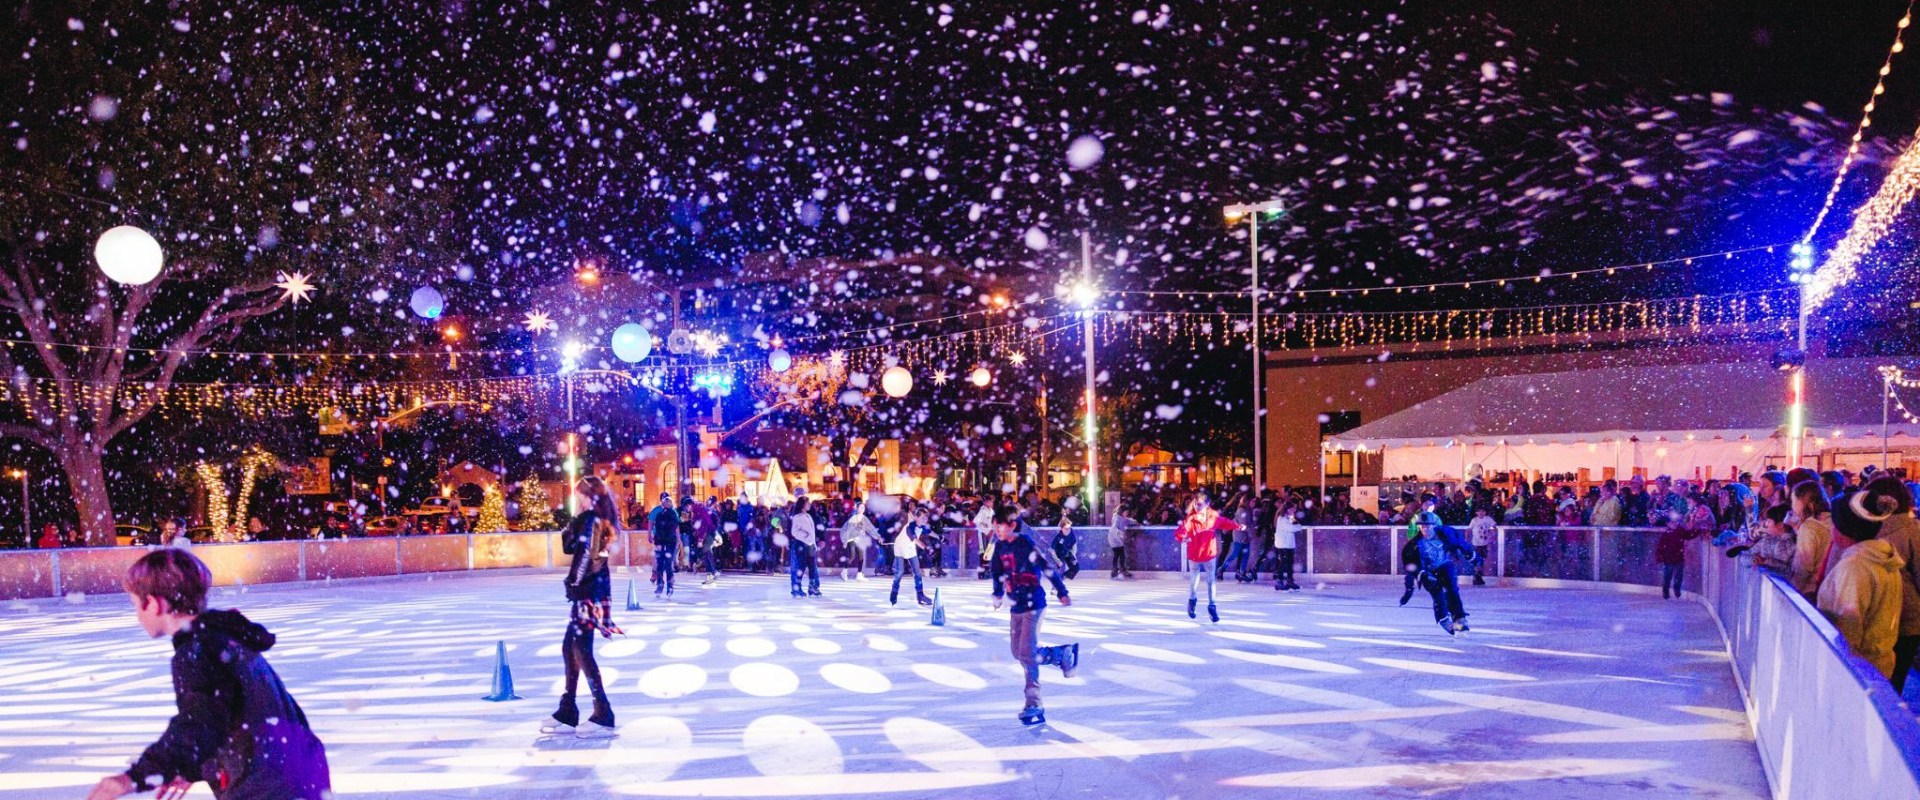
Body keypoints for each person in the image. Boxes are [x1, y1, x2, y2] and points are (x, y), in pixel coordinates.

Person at [90, 548, 329, 800]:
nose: (137, 616)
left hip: (268, 786)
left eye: (136, 605)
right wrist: (193, 768)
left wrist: (133, 778)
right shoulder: (224, 639)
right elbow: (229, 716)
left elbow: (199, 724)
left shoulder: (198, 650)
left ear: (155, 603)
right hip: (295, 773)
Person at [544, 476, 622, 738]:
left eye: (579, 495)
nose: (576, 499)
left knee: (581, 650)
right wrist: (574, 519)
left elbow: (588, 556)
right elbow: (568, 547)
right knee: (571, 647)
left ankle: (603, 712)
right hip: (589, 590)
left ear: (588, 496)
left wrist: (574, 584)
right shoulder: (588, 519)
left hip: (588, 591)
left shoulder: (594, 521)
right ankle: (568, 709)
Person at [989, 506, 1078, 726]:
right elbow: (997, 572)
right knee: (1017, 652)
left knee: (1027, 654)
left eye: (999, 526)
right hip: (1016, 607)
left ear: (1011, 525)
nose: (996, 530)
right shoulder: (1000, 547)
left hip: (1035, 605)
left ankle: (1034, 703)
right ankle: (1061, 655)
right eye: (994, 527)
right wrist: (998, 593)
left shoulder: (1025, 544)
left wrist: (1062, 591)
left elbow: (1046, 567)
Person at [1820, 487, 1906, 681]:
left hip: (1856, 672)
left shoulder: (1855, 567)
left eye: (1834, 524)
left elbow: (1848, 630)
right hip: (1879, 664)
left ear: (1846, 529)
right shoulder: (1883, 559)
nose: (1831, 530)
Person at [1864, 475, 1920, 691]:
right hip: (1908, 617)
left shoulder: (1870, 529)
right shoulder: (1912, 530)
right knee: (1895, 680)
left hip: (1878, 613)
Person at [1410, 511, 1477, 635]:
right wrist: (1421, 574)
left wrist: (1471, 554)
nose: (1425, 529)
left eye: (1428, 526)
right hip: (1428, 571)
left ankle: (1459, 618)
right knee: (1438, 594)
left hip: (1444, 565)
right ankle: (1443, 619)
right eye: (1423, 526)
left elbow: (1460, 542)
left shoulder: (1446, 534)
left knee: (1452, 589)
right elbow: (1410, 563)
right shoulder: (1415, 543)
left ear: (1433, 525)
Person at [1175, 493, 1238, 623]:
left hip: (1209, 554)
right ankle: (1192, 601)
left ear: (1207, 504)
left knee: (1211, 581)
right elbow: (1180, 531)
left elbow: (1225, 523)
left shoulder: (1213, 517)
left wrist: (1237, 526)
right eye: (1196, 504)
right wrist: (1183, 537)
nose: (1197, 507)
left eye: (1200, 504)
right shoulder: (1191, 519)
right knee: (1194, 580)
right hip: (1194, 555)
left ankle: (1212, 606)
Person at [1787, 482, 1836, 600]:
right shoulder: (1833, 520)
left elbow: (1804, 565)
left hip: (1810, 590)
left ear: (1805, 502)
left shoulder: (1809, 527)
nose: (1792, 506)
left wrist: (1793, 590)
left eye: (1794, 501)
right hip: (1830, 587)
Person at [891, 507, 934, 607]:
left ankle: (920, 595)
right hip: (900, 547)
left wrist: (941, 538)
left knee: (917, 572)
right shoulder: (910, 526)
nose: (925, 520)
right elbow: (915, 539)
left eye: (926, 518)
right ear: (916, 517)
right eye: (923, 518)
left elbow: (930, 532)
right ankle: (894, 593)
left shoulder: (922, 526)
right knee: (900, 572)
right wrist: (926, 548)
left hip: (910, 548)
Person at [648, 493, 680, 598]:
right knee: (663, 564)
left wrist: (675, 540)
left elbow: (674, 529)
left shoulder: (671, 514)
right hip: (665, 542)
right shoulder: (661, 514)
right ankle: (663, 585)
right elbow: (658, 528)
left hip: (667, 542)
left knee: (664, 564)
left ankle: (665, 585)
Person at [789, 497, 821, 598]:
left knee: (812, 567)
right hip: (802, 544)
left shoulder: (808, 516)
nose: (809, 504)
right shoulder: (797, 517)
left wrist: (813, 544)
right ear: (803, 504)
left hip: (810, 545)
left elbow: (812, 532)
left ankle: (812, 587)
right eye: (808, 503)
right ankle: (796, 588)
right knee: (801, 567)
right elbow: (794, 532)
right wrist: (805, 535)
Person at [841, 504, 877, 581]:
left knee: (861, 556)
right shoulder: (854, 518)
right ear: (857, 509)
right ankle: (844, 571)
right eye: (860, 507)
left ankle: (859, 574)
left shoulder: (865, 519)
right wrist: (845, 541)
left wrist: (878, 536)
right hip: (851, 539)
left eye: (863, 507)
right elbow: (849, 530)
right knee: (852, 556)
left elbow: (871, 528)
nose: (862, 509)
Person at [1273, 504, 1302, 592]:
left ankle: (1289, 581)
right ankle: (1279, 580)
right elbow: (1292, 528)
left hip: (1288, 544)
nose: (1295, 510)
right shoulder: (1282, 519)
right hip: (1283, 544)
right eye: (1293, 508)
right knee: (1284, 563)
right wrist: (1298, 527)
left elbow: (1295, 525)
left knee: (1289, 563)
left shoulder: (1288, 517)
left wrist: (1296, 524)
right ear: (1288, 509)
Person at [1467, 506, 1497, 586]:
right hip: (1476, 544)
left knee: (1482, 560)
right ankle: (1476, 577)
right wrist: (1467, 540)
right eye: (1479, 511)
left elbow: (1493, 526)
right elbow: (1469, 530)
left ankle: (1478, 577)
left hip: (1485, 543)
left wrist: (1493, 534)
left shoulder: (1488, 519)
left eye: (1482, 511)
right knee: (1478, 561)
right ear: (1476, 512)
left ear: (1485, 512)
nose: (1481, 513)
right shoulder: (1474, 520)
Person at [1108, 506, 1137, 580]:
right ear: (1122, 512)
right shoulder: (1117, 518)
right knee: (1117, 554)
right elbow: (1114, 528)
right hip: (1114, 539)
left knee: (1122, 555)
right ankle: (1115, 570)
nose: (1127, 513)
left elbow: (1127, 521)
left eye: (1127, 512)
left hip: (1119, 539)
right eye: (1126, 512)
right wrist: (1120, 534)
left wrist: (1134, 522)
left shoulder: (1122, 518)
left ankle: (1122, 569)